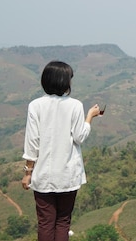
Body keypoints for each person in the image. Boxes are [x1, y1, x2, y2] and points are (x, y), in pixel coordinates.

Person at [21, 60, 102, 241]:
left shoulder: (35, 106)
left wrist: (28, 172)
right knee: (63, 221)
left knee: (45, 222)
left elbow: (32, 142)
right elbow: (80, 137)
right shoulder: (75, 105)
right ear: (64, 82)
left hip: (43, 175)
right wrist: (90, 117)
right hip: (67, 175)